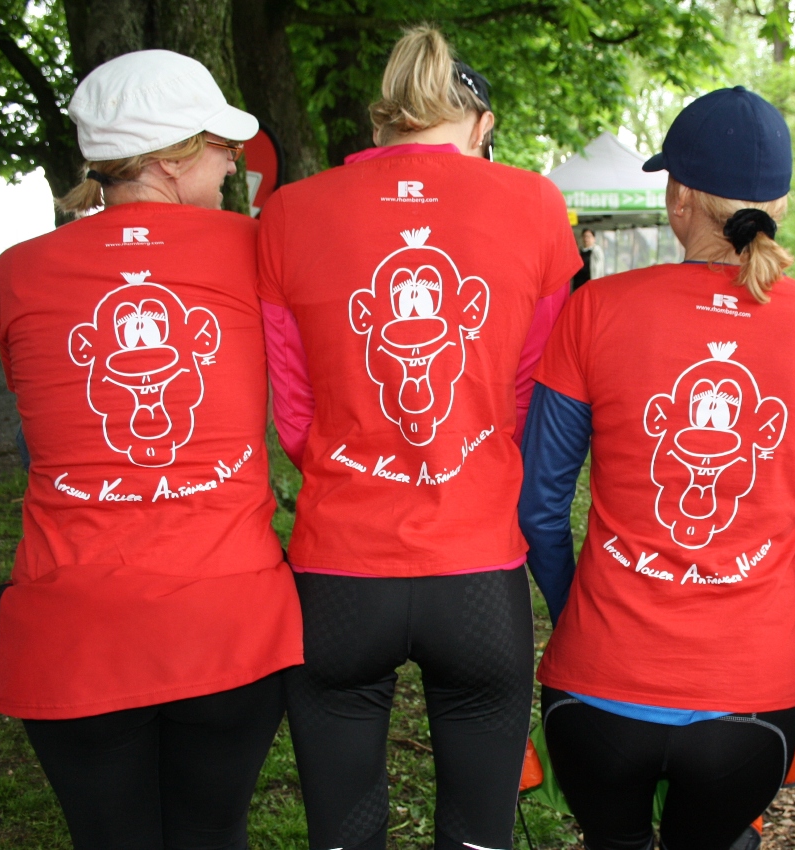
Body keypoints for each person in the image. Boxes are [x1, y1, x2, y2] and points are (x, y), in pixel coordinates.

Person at [519, 86, 795, 850]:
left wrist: (575, 606)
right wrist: (757, 596)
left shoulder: (595, 309)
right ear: (780, 204)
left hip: (597, 687)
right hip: (752, 699)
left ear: (678, 199)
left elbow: (540, 506)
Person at [256, 26, 581, 850]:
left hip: (338, 567)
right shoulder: (537, 205)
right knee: (477, 833)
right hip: (477, 568)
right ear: (481, 126)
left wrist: (359, 457)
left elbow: (294, 410)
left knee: (343, 830)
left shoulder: (288, 211)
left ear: (380, 121)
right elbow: (534, 389)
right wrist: (469, 448)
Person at [0, 50, 304, 850]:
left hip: (72, 626)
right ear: (169, 158)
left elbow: (40, 420)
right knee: (212, 832)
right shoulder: (256, 249)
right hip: (226, 620)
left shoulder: (19, 271)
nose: (233, 162)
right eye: (220, 145)